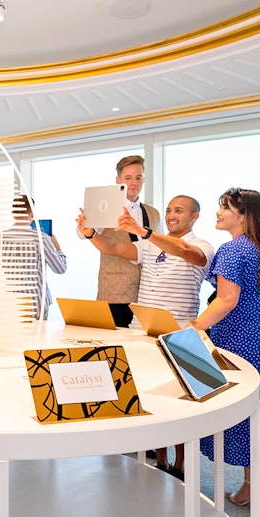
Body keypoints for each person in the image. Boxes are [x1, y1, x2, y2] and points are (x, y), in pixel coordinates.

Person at [77, 195, 215, 478]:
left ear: (194, 217)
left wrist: (146, 232)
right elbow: (114, 247)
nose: (171, 215)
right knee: (145, 394)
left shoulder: (202, 246)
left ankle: (180, 466)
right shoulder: (150, 245)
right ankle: (159, 461)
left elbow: (186, 252)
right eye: (168, 210)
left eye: (179, 211)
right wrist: (91, 234)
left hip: (178, 333)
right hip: (142, 331)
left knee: (178, 403)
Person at [190, 187, 260, 513]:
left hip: (239, 340)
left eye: (224, 207)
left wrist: (192, 328)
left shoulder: (234, 250)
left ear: (244, 215)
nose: (218, 213)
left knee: (241, 410)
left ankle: (251, 487)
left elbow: (226, 300)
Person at [80, 155, 161, 328]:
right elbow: (84, 233)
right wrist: (87, 227)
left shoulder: (153, 213)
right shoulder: (106, 207)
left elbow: (159, 249)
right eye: (128, 178)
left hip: (147, 295)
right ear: (118, 180)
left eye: (138, 178)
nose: (134, 183)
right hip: (114, 293)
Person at [0, 195, 67, 319]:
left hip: (12, 304)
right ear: (32, 214)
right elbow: (60, 269)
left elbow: (0, 268)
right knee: (38, 338)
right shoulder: (41, 238)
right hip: (36, 304)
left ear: (13, 212)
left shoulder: (0, 238)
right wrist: (58, 248)